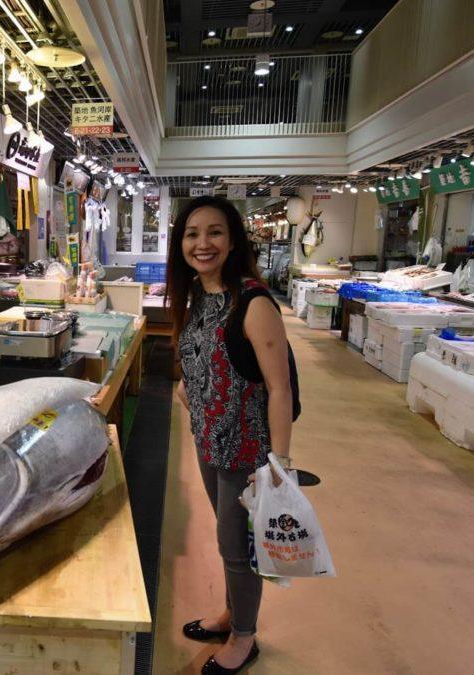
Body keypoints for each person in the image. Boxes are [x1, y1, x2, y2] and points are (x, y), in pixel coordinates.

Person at [166, 196, 296, 674]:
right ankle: (230, 614)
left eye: (214, 232)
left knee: (237, 549)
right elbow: (205, 357)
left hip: (245, 451)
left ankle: (245, 638)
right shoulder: (200, 295)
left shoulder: (253, 301)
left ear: (234, 238)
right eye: (192, 234)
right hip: (209, 442)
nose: (203, 243)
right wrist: (189, 386)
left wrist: (280, 466)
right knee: (228, 543)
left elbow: (279, 389)